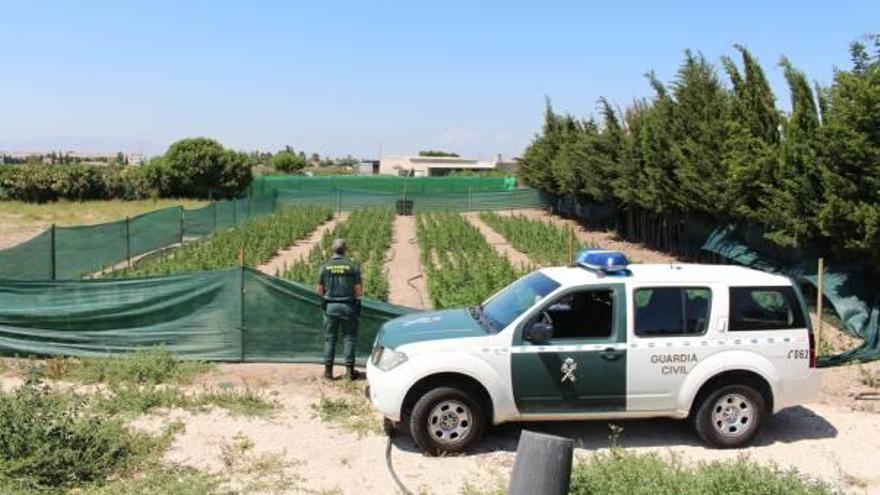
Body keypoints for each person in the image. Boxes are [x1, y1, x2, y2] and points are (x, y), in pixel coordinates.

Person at [316, 238, 363, 380]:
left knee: (330, 339)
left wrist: (329, 296)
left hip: (330, 307)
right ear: (345, 249)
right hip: (348, 307)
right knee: (349, 339)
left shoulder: (325, 267)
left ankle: (328, 373)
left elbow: (319, 290)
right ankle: (349, 373)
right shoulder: (352, 266)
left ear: (332, 249)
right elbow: (359, 291)